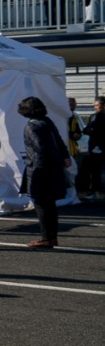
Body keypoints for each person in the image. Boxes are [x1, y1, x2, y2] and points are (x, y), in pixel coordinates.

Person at [17, 97, 69, 249]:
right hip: (53, 167)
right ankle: (52, 237)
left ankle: (47, 238)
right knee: (50, 204)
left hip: (40, 169)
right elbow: (59, 141)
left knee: (41, 204)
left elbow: (41, 148)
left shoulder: (31, 126)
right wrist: (64, 157)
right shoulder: (47, 122)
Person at [79, 97, 104, 199]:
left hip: (101, 145)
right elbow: (86, 130)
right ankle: (95, 191)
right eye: (94, 105)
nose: (95, 107)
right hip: (94, 147)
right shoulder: (93, 116)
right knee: (94, 170)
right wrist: (91, 130)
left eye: (97, 105)